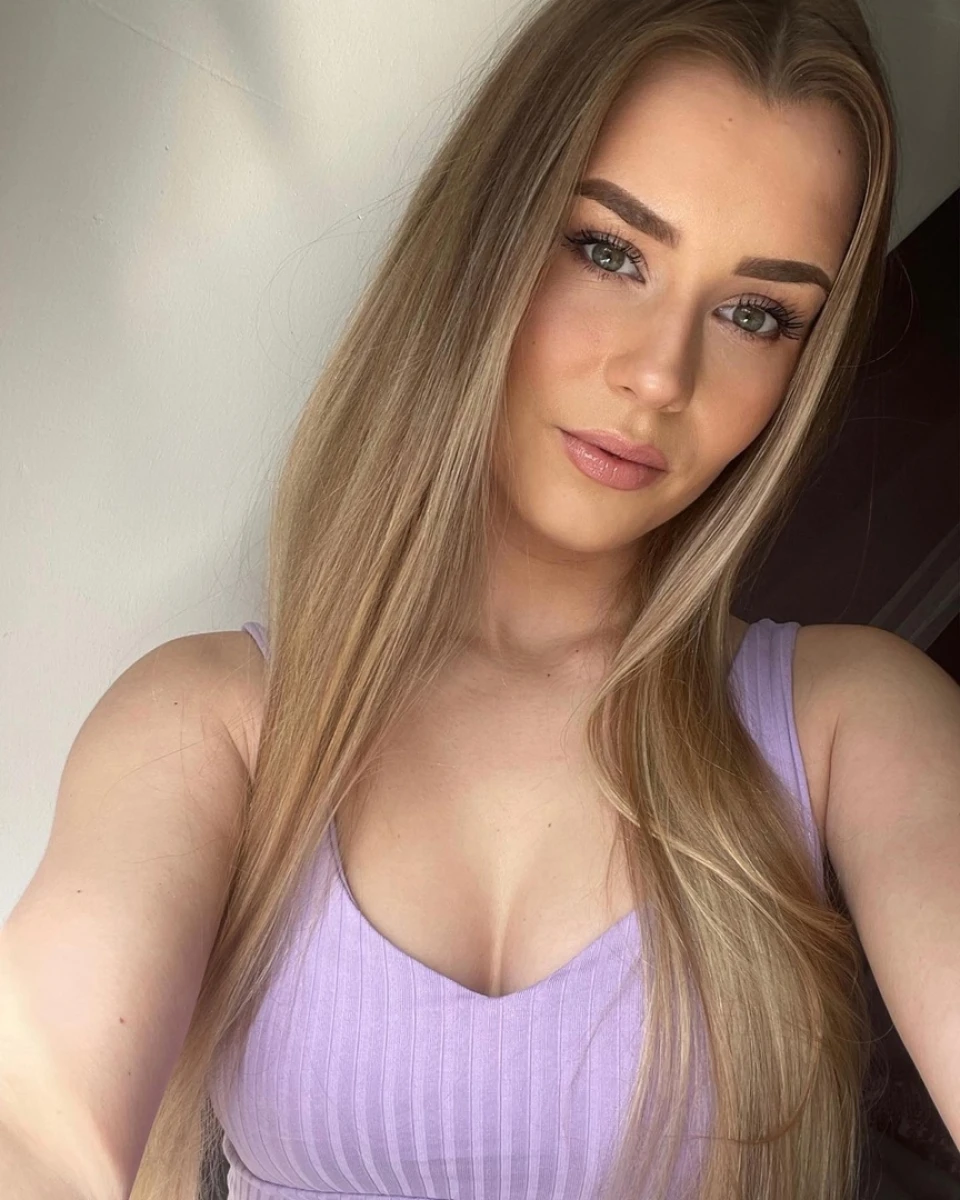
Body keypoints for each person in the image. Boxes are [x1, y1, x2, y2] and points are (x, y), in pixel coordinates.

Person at [2, 0, 958, 1198]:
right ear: (486, 239)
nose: (658, 375)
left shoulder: (849, 723)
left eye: (754, 314)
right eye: (608, 250)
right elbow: (35, 1114)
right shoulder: (215, 724)